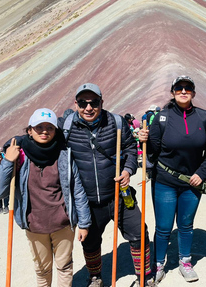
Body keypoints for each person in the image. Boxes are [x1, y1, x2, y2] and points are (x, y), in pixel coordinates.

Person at [58, 83, 154, 287]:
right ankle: (95, 277)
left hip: (119, 194)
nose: (88, 108)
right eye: (83, 103)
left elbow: (130, 148)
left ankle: (144, 276)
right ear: (76, 104)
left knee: (139, 232)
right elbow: (44, 138)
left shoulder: (116, 122)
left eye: (94, 102)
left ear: (102, 102)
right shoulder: (66, 127)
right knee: (90, 242)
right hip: (87, 201)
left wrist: (128, 170)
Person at [0, 108, 91, 287]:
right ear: (29, 130)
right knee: (42, 270)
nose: (44, 131)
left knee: (65, 267)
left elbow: (78, 190)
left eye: (49, 127)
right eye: (39, 127)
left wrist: (84, 223)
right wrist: (7, 161)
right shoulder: (19, 157)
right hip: (35, 226)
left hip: (63, 224)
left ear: (55, 131)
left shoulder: (64, 155)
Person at [139, 75, 206, 283]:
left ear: (193, 92)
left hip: (192, 182)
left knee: (186, 225)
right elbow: (153, 152)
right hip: (165, 181)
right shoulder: (162, 117)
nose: (183, 91)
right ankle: (158, 264)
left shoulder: (203, 116)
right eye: (179, 88)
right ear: (173, 92)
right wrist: (144, 141)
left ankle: (185, 262)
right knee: (163, 227)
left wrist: (201, 173)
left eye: (188, 88)